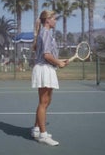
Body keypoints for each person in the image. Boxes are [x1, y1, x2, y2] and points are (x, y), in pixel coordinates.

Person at [31, 10, 69, 146]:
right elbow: (46, 55)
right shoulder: (45, 33)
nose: (55, 21)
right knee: (44, 102)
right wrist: (58, 62)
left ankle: (36, 129)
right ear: (47, 20)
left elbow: (48, 55)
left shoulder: (45, 33)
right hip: (44, 68)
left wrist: (59, 60)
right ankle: (43, 135)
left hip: (47, 68)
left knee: (46, 102)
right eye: (54, 18)